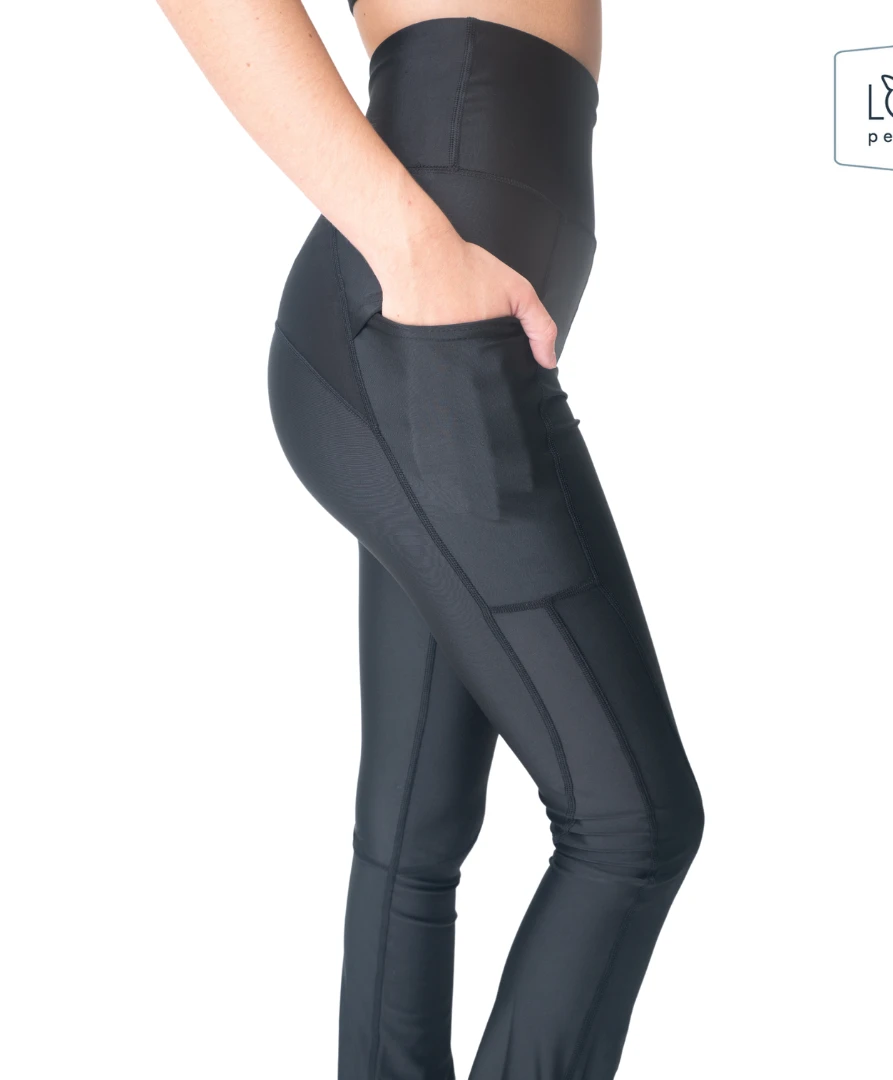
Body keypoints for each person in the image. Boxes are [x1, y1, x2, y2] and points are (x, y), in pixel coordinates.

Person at [156, 3, 705, 1077]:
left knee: (416, 826)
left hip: (434, 341)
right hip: (419, 338)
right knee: (633, 823)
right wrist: (413, 250)